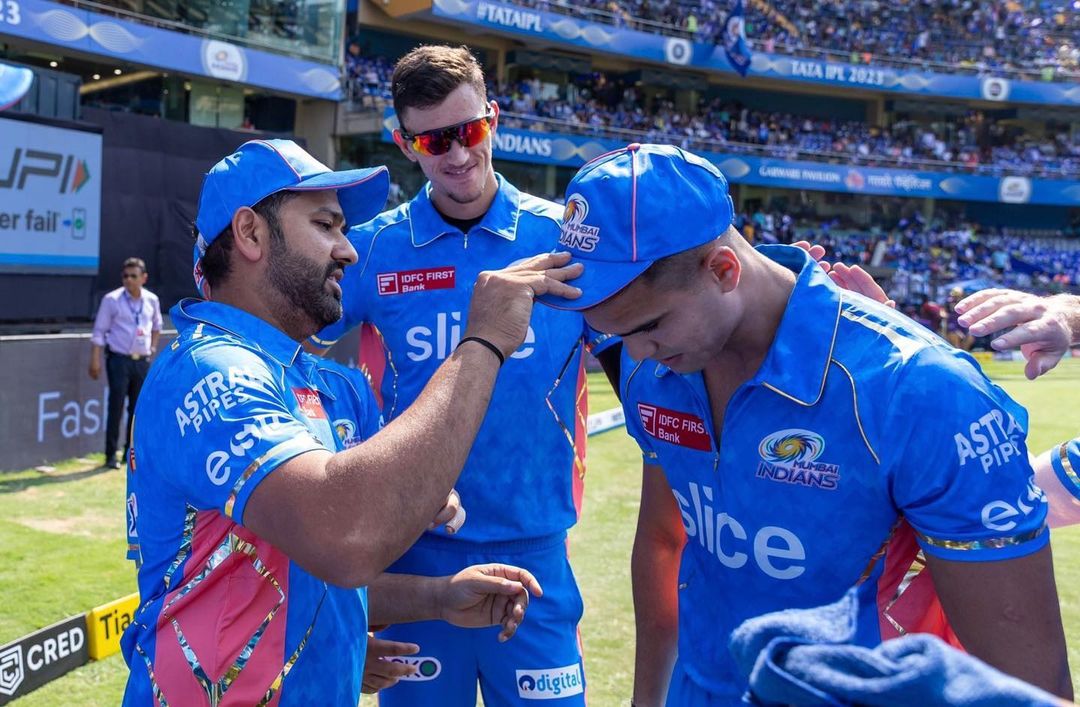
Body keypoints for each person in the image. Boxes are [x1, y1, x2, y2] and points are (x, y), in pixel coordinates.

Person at [537, 144, 1072, 705]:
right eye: (615, 335)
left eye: (649, 325)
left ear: (724, 270)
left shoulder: (920, 390)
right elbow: (667, 540)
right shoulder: (659, 369)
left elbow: (1029, 681)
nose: (634, 354)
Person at [120, 138, 583, 705]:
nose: (349, 251)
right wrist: (481, 342)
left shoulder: (332, 387)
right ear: (250, 234)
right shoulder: (210, 372)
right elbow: (346, 539)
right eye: (326, 225)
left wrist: (435, 599)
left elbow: (312, 574)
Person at [307, 45, 620, 706]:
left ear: (494, 118)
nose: (456, 154)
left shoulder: (565, 240)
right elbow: (287, 364)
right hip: (415, 557)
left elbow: (649, 349)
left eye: (469, 130)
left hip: (536, 560)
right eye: (433, 139)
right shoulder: (375, 248)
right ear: (404, 143)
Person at [89, 257, 163, 469]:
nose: (128, 280)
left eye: (133, 276)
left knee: (137, 409)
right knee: (116, 406)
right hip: (118, 360)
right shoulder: (112, 300)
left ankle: (129, 453)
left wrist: (152, 348)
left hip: (141, 361)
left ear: (144, 278)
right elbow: (99, 332)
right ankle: (111, 454)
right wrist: (95, 359)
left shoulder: (151, 300)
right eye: (125, 276)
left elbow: (156, 326)